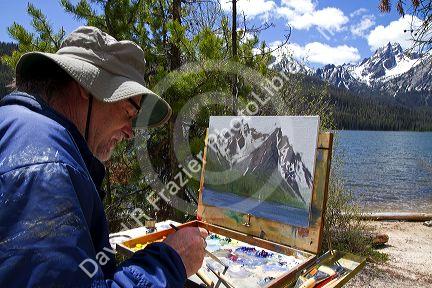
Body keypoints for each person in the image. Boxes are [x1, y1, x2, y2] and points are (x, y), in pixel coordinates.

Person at [0, 26, 208, 287]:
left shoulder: (21, 132)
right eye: (130, 112)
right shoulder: (45, 165)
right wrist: (168, 262)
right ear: (88, 85)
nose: (131, 132)